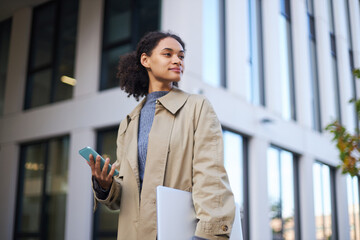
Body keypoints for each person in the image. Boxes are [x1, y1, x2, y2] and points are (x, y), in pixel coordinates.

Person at [88, 31, 235, 240]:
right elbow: (124, 195)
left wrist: (208, 235)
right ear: (145, 60)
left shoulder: (197, 107)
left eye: (181, 56)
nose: (177, 60)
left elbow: (211, 175)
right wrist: (105, 185)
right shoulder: (128, 123)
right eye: (168, 54)